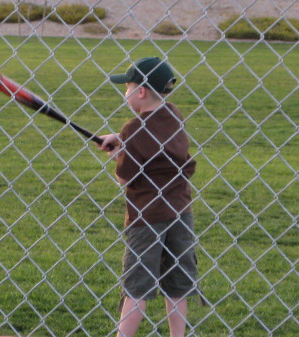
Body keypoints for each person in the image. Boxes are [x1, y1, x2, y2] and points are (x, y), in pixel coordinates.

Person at [97, 57, 200, 337]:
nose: (125, 93)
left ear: (141, 91)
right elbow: (156, 143)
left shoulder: (134, 128)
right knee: (177, 283)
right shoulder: (173, 114)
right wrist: (122, 139)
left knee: (137, 286)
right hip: (180, 210)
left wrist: (120, 152)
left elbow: (124, 177)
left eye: (127, 87)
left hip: (148, 217)